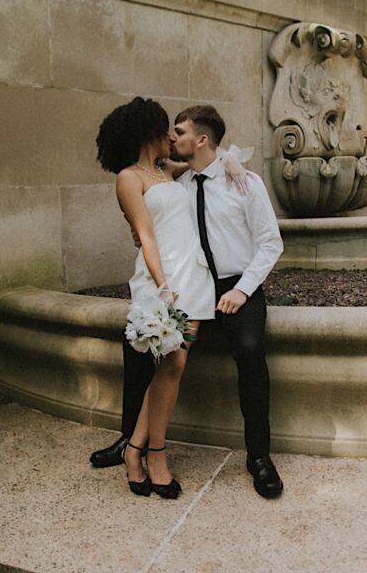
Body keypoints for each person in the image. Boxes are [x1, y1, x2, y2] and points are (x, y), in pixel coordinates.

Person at [92, 104, 286, 499]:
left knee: (247, 350)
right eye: (167, 131)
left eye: (177, 131)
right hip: (183, 282)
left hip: (232, 285)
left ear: (199, 140)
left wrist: (242, 289)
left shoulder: (240, 181)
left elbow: (270, 242)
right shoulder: (172, 179)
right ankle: (133, 442)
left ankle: (259, 457)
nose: (169, 137)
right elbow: (151, 224)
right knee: (140, 354)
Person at [95, 97, 215, 499]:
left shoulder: (166, 171)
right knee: (170, 362)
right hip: (160, 279)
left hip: (193, 278)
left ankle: (140, 450)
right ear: (149, 132)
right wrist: (163, 287)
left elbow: (204, 158)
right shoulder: (130, 178)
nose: (170, 137)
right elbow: (146, 234)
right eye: (165, 130)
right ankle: (148, 453)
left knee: (174, 368)